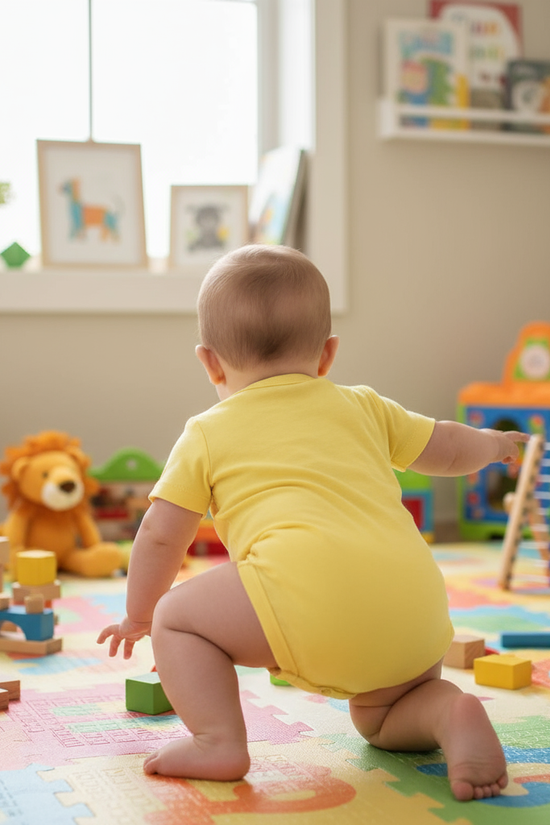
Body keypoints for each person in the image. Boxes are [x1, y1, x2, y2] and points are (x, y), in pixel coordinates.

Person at [98, 244, 528, 801]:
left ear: (210, 363)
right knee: (380, 720)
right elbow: (445, 445)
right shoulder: (364, 406)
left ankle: (217, 741)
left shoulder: (206, 431)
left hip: (303, 594)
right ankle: (451, 714)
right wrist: (493, 444)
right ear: (327, 355)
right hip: (415, 608)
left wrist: (140, 614)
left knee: (177, 619)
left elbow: (160, 532)